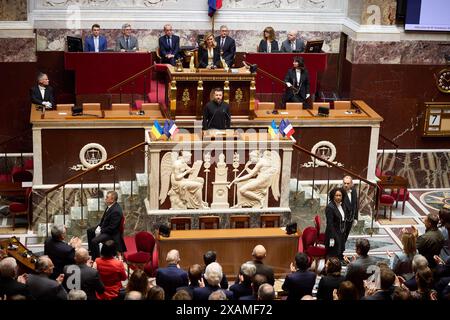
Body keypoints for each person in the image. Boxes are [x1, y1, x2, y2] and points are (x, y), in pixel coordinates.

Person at [87, 190, 126, 260]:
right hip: (105, 227)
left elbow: (112, 228)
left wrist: (100, 230)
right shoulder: (110, 206)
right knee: (89, 231)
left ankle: (96, 259)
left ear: (112, 200)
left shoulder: (116, 211)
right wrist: (99, 226)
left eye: (107, 197)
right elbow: (104, 219)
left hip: (111, 233)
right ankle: (92, 251)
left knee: (94, 241)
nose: (105, 199)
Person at [324, 187, 347, 260]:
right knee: (333, 253)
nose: (338, 197)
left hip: (341, 232)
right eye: (336, 195)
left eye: (340, 195)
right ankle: (331, 267)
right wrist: (332, 238)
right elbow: (330, 224)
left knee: (340, 250)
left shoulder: (342, 205)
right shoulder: (330, 207)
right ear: (333, 196)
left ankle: (339, 263)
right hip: (333, 233)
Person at [342, 175, 359, 242]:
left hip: (350, 219)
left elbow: (355, 205)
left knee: (346, 237)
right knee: (341, 238)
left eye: (348, 183)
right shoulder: (340, 192)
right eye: (344, 183)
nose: (346, 185)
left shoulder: (354, 191)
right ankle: (340, 251)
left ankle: (342, 250)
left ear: (351, 184)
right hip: (343, 221)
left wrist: (355, 218)